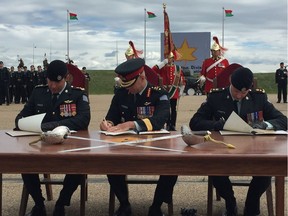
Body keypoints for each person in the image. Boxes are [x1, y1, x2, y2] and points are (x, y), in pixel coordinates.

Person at [189, 66, 287, 216]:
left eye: (244, 92)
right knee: (214, 170)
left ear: (250, 88)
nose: (240, 95)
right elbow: (195, 122)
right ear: (230, 83)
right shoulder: (216, 97)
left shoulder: (258, 98)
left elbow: (283, 120)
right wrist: (217, 125)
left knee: (266, 170)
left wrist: (265, 125)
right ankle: (230, 202)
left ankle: (251, 205)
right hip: (224, 150)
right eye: (236, 91)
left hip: (253, 150)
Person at [100, 58, 178, 216]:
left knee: (173, 166)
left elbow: (161, 119)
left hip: (153, 147)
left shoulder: (158, 94)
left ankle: (156, 206)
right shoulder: (121, 93)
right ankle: (124, 204)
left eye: (130, 85)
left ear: (142, 77)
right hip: (125, 145)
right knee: (110, 163)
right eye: (125, 85)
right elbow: (111, 117)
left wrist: (131, 124)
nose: (128, 89)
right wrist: (106, 123)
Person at [15, 60, 91, 216]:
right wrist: (24, 123)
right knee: (24, 161)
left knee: (80, 164)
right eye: (50, 81)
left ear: (66, 78)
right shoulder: (38, 92)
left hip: (70, 145)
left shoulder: (77, 94)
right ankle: (38, 204)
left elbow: (83, 119)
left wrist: (52, 126)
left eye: (57, 82)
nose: (53, 86)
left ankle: (61, 203)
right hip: (41, 146)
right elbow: (20, 118)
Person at [152, 52, 186, 131]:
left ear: (173, 59)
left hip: (174, 92)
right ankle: (167, 124)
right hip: (165, 91)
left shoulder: (177, 68)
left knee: (173, 109)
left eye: (170, 58)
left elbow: (182, 80)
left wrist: (181, 90)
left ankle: (173, 125)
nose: (169, 59)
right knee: (166, 109)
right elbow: (153, 70)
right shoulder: (163, 68)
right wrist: (163, 63)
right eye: (167, 58)